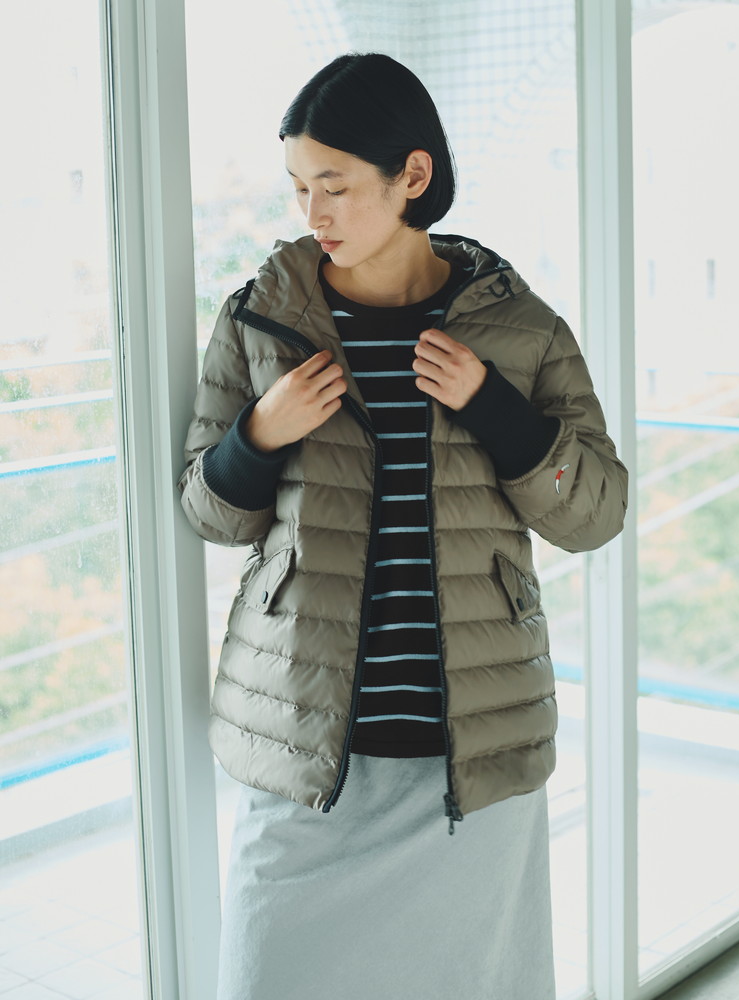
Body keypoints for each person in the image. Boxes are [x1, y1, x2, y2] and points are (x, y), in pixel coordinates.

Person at [178, 52, 627, 1000]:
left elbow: (596, 511)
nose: (313, 213)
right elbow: (208, 511)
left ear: (412, 175)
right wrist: (259, 435)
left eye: (335, 185)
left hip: (472, 754)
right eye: (299, 186)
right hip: (304, 744)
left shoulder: (522, 330)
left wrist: (497, 411)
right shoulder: (261, 320)